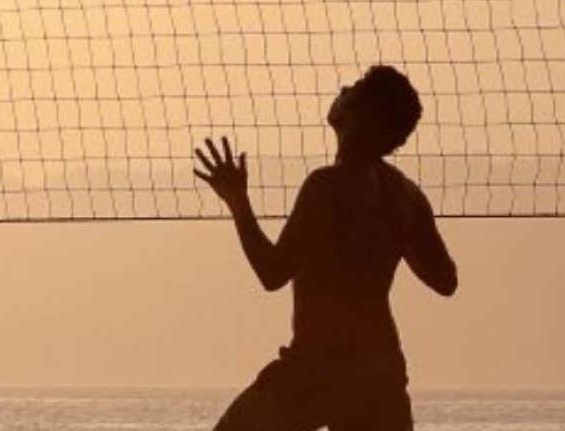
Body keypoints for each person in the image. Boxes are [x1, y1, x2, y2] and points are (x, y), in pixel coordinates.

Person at [191, 65, 458, 431]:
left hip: (318, 368)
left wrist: (238, 202)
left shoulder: (326, 186)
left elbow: (272, 273)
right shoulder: (406, 195)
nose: (344, 87)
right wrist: (394, 234)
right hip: (381, 374)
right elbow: (445, 281)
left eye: (355, 87)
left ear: (358, 116)